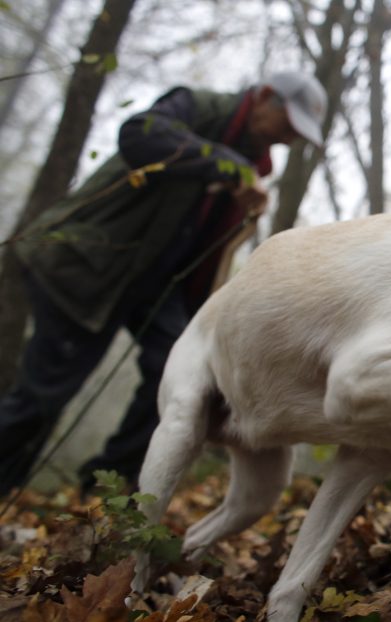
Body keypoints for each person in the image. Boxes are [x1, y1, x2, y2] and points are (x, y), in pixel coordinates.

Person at [0, 71, 327, 496]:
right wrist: (228, 167)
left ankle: (102, 493)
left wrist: (243, 199)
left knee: (179, 377)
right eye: (289, 125)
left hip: (153, 285)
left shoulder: (253, 164)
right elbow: (139, 134)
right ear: (265, 97)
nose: (288, 139)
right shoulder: (199, 107)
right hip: (87, 269)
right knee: (42, 397)